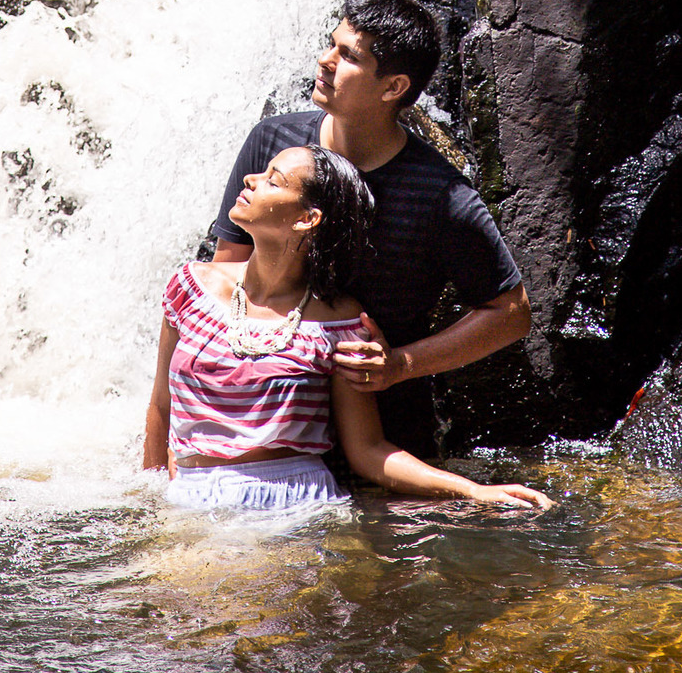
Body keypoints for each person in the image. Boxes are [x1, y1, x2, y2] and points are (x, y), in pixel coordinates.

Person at [144, 142, 552, 512]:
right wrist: (149, 502)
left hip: (293, 505)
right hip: (192, 497)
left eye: (273, 180)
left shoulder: (338, 320)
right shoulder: (190, 287)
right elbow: (161, 407)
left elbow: (368, 450)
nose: (251, 179)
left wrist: (472, 490)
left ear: (307, 218)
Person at [211, 0, 531, 459]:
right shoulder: (274, 143)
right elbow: (228, 271)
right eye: (331, 44)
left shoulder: (440, 196)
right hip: (262, 423)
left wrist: (400, 364)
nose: (325, 61)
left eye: (348, 56)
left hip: (385, 437)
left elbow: (512, 313)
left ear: (393, 87)